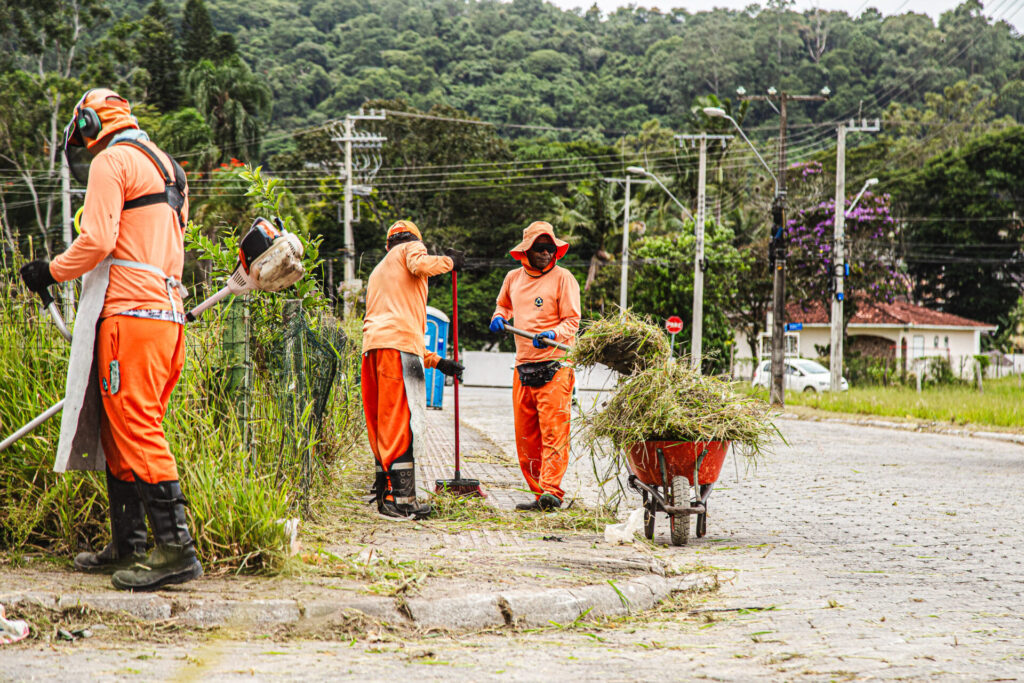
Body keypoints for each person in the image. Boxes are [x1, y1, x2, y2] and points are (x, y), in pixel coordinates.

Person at [19, 88, 201, 591]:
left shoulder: (112, 162)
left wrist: (49, 272)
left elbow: (97, 240)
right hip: (168, 316)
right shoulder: (169, 168)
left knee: (137, 427)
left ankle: (176, 552)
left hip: (130, 316)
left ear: (93, 123)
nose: (87, 149)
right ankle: (130, 547)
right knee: (122, 430)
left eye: (83, 137)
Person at [362, 220, 464, 521]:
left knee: (383, 423)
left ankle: (384, 494)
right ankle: (401, 501)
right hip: (396, 351)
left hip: (373, 351)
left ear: (386, 244)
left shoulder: (379, 270)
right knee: (400, 423)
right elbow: (420, 264)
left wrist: (438, 362)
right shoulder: (411, 249)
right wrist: (450, 262)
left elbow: (397, 325)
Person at [489, 221, 581, 511]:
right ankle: (539, 491)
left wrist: (553, 335)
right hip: (523, 366)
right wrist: (498, 316)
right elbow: (503, 305)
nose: (545, 253)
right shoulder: (512, 278)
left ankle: (552, 491)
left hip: (556, 365)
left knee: (554, 433)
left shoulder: (564, 278)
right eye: (539, 248)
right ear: (526, 251)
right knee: (527, 437)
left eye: (550, 248)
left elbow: (572, 321)